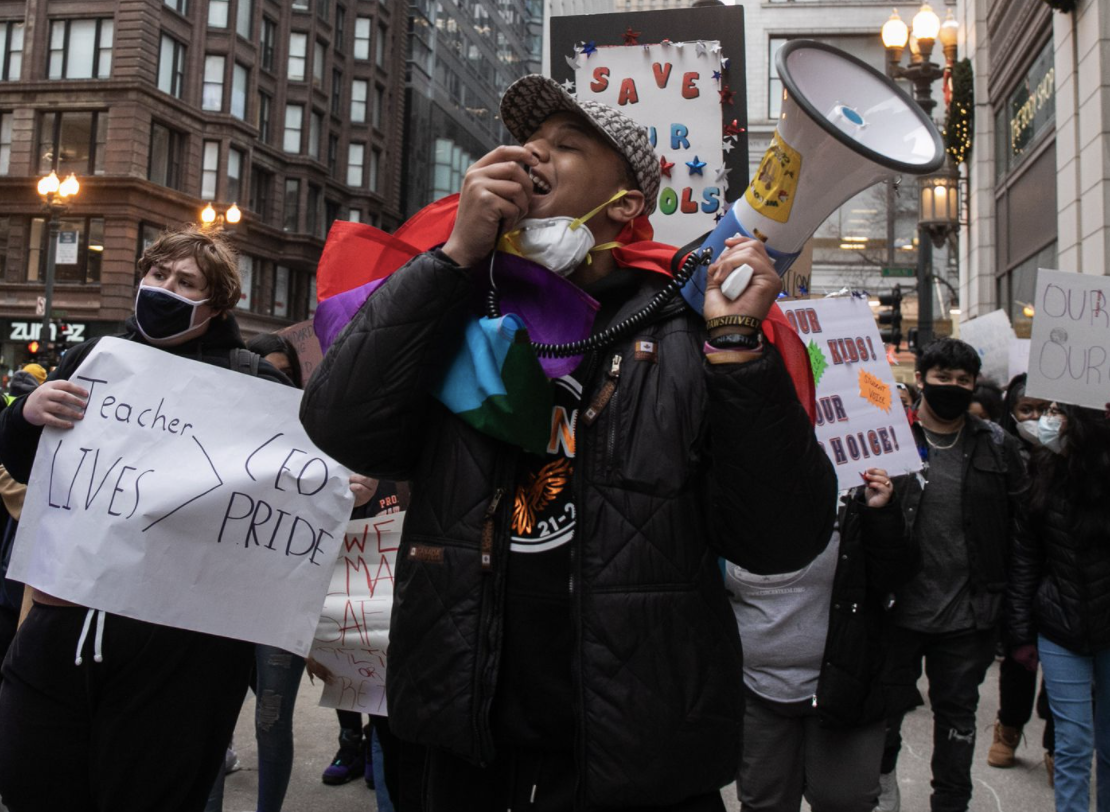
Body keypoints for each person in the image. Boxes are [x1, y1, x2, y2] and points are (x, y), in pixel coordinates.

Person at [301, 74, 836, 810]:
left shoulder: (684, 329)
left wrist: (739, 350)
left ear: (624, 206)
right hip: (460, 745)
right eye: (529, 141)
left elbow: (780, 537)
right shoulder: (462, 303)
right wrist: (452, 259)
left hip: (633, 755)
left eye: (566, 145)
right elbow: (341, 425)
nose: (532, 154)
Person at [0, 226, 291, 812]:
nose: (164, 288)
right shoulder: (93, 359)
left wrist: (340, 485)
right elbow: (31, 468)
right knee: (34, 779)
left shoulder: (254, 384)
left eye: (185, 282)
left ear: (216, 306)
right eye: (158, 274)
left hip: (182, 651)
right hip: (64, 624)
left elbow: (292, 490)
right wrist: (25, 415)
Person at [876, 338, 1024, 812]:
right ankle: (883, 791)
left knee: (958, 721)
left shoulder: (997, 445)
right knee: (883, 719)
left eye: (963, 380)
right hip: (896, 612)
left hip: (968, 616)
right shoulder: (889, 436)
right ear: (921, 379)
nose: (953, 387)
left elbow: (1020, 530)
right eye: (943, 378)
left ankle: (951, 803)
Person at [731, 467, 915, 812]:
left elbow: (896, 575)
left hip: (845, 682)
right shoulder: (724, 491)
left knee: (845, 801)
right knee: (765, 803)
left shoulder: (854, 493)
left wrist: (880, 514)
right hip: (755, 688)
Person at [1007, 401, 1110, 812]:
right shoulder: (1042, 471)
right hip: (1060, 623)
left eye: (1058, 411)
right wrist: (1019, 631)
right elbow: (1025, 557)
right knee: (1073, 742)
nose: (1047, 421)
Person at [985, 374, 1054, 781]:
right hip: (1015, 574)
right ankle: (1009, 727)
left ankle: (1056, 744)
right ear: (1011, 413)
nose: (1036, 418)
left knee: (1065, 671)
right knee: (1019, 659)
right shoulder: (1000, 454)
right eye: (1026, 410)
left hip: (1062, 576)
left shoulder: (1075, 457)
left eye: (1045, 410)